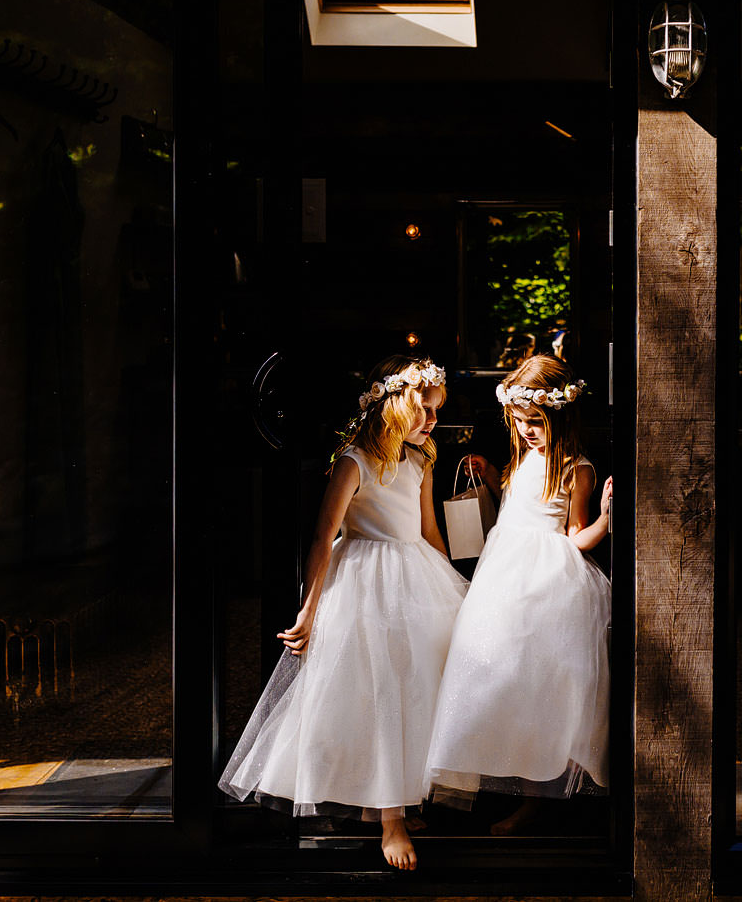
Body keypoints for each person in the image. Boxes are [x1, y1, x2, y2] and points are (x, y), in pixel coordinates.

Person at [218, 356, 467, 870]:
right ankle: (389, 818)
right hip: (364, 581)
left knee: (417, 685)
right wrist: (309, 611)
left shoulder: (422, 461)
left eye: (437, 411)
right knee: (376, 692)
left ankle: (400, 797)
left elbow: (428, 531)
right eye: (424, 409)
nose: (432, 420)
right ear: (395, 405)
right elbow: (322, 538)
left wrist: (458, 590)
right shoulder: (353, 460)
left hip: (415, 575)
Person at [425, 354, 612, 834]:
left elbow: (574, 534)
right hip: (503, 580)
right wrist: (490, 476)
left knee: (538, 687)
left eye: (537, 422)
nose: (528, 430)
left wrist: (605, 521)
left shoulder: (576, 467)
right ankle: (496, 778)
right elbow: (517, 506)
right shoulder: (527, 456)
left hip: (545, 583)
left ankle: (537, 800)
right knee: (493, 674)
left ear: (561, 416)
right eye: (522, 421)